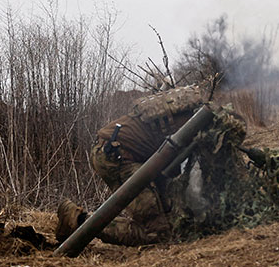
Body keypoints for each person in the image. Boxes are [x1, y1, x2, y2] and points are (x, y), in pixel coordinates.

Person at [56, 84, 246, 246]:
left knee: (165, 214)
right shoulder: (199, 126)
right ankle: (78, 219)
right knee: (157, 233)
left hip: (118, 152)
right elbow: (191, 176)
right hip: (116, 158)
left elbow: (173, 172)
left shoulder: (192, 111)